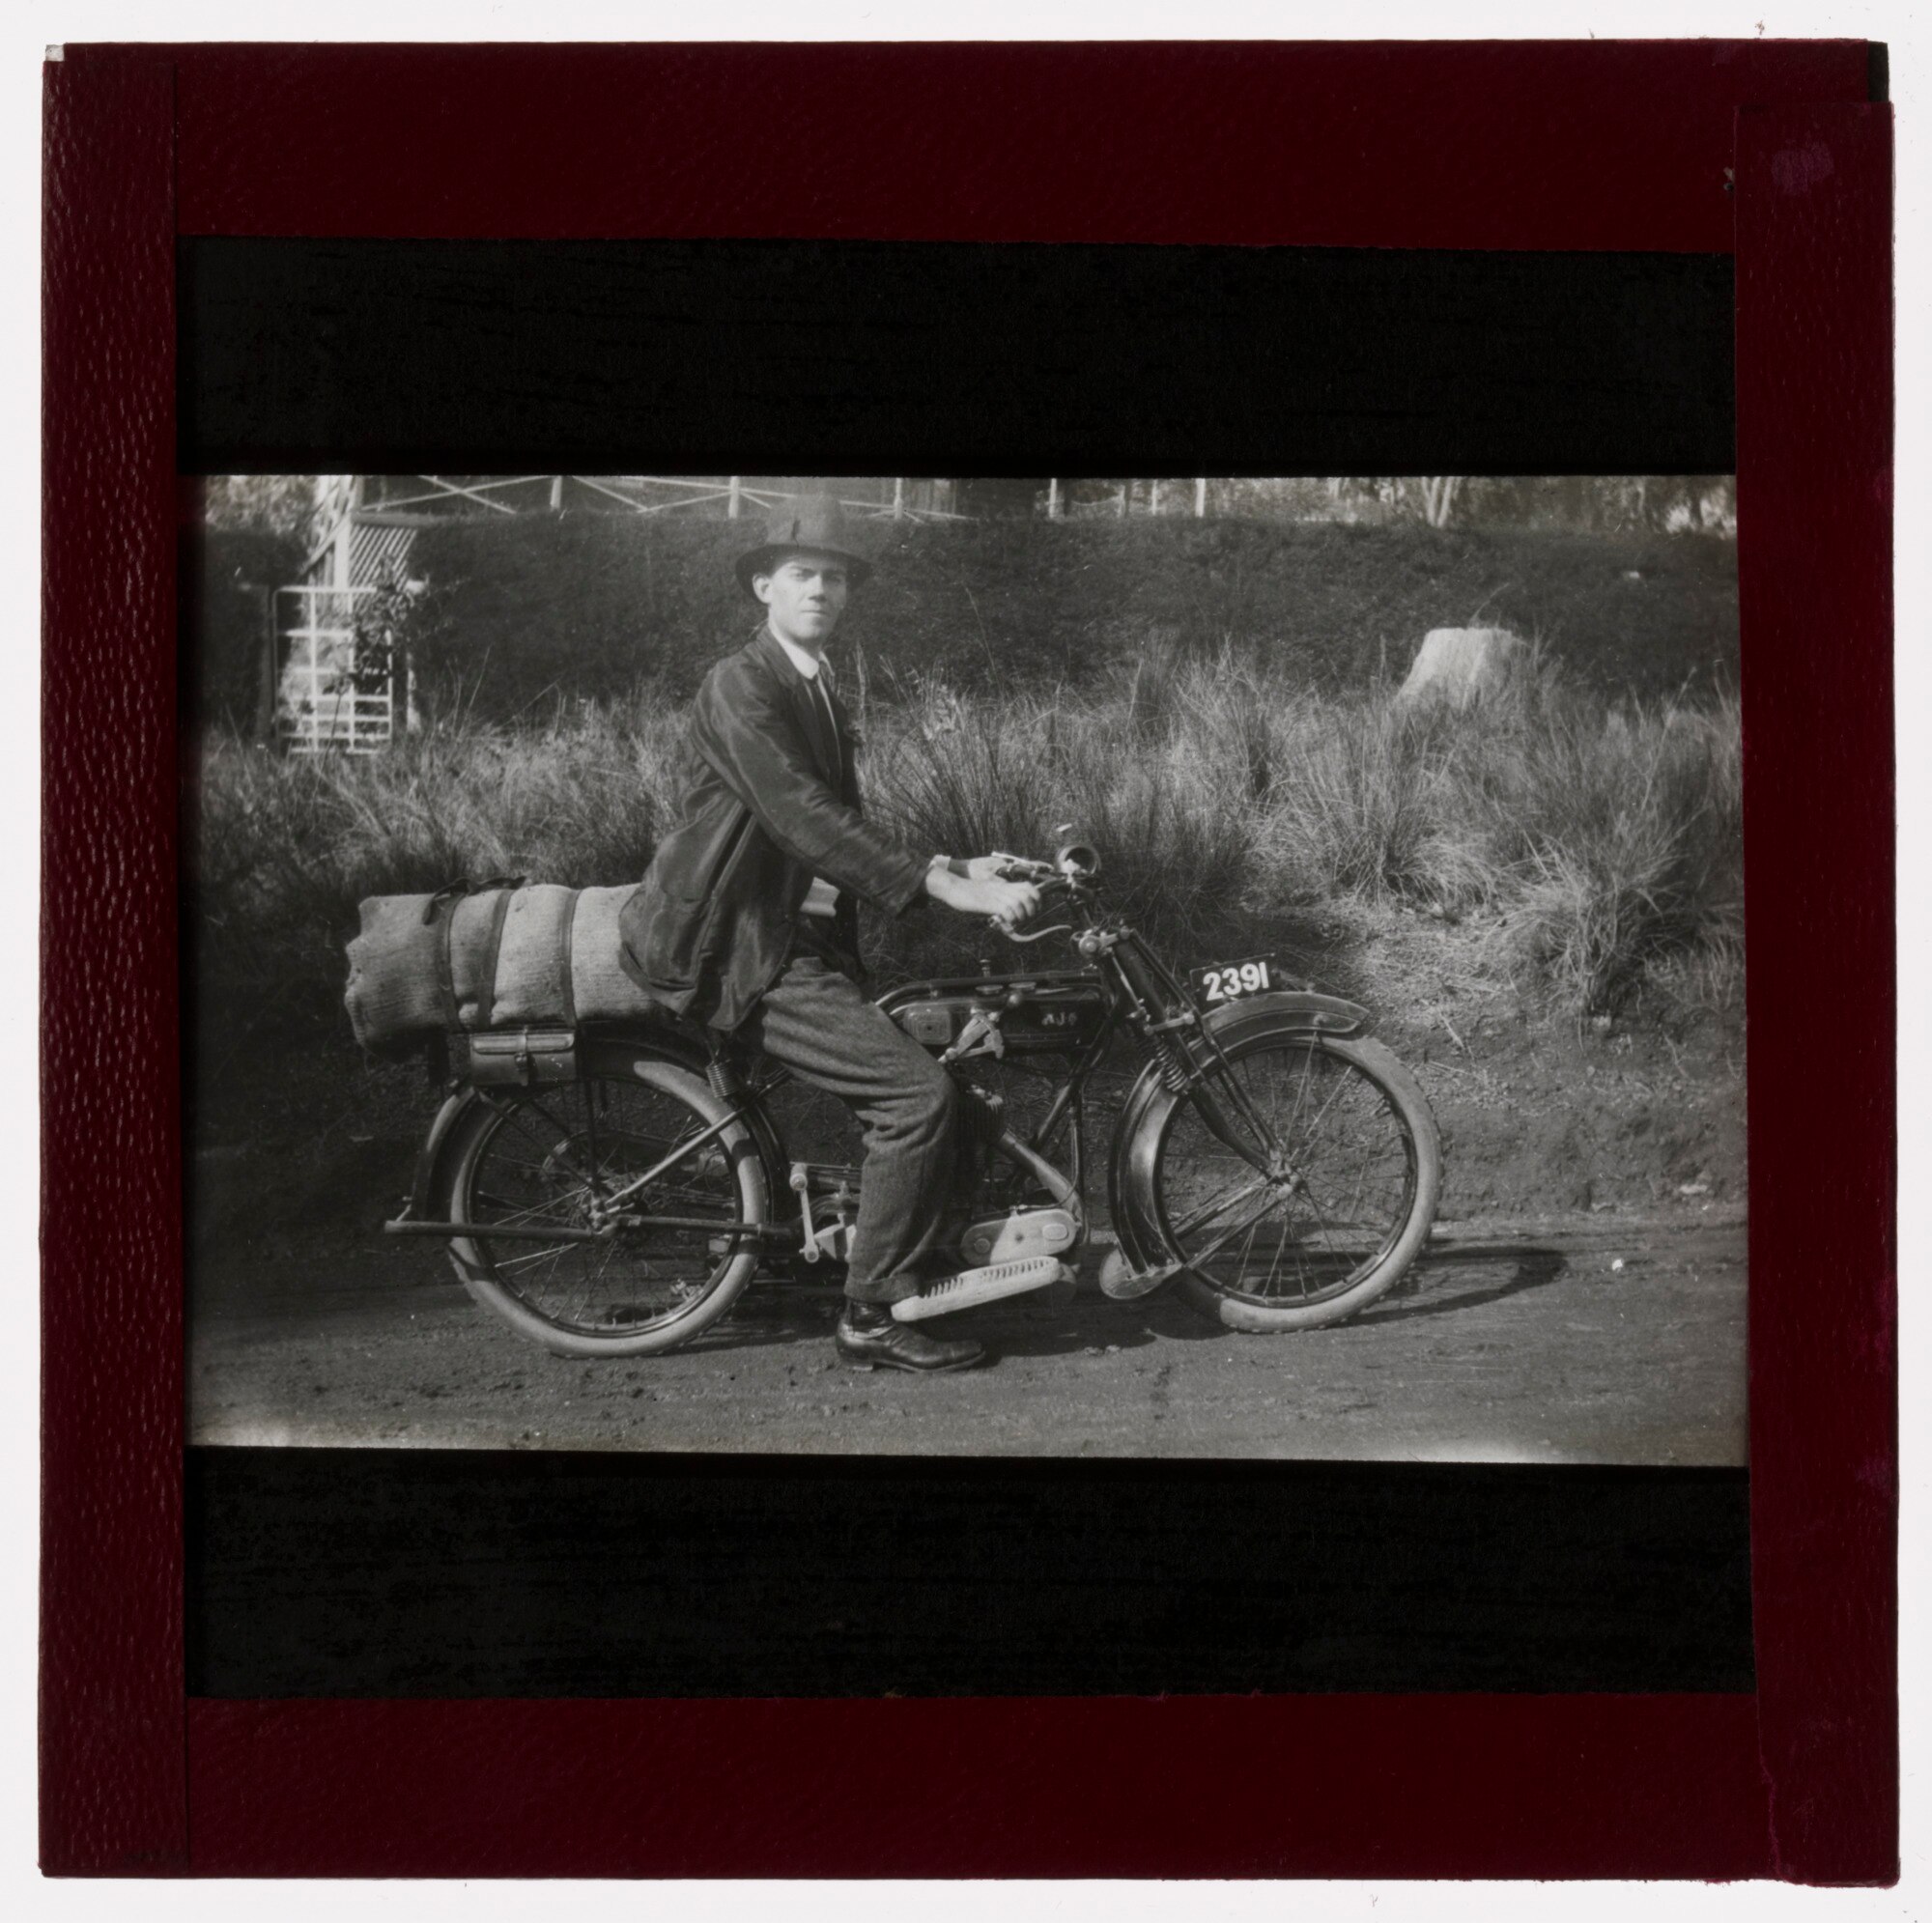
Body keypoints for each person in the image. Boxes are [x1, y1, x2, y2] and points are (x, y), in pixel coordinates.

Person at [618, 495, 1042, 1373]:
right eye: (803, 573)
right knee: (915, 1099)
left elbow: (836, 831)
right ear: (764, 585)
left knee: (944, 1076)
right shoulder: (741, 684)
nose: (822, 587)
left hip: (787, 937)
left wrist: (958, 867)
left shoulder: (812, 689)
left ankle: (917, 1253)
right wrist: (939, 887)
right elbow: (799, 815)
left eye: (836, 576)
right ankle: (869, 1312)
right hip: (737, 946)